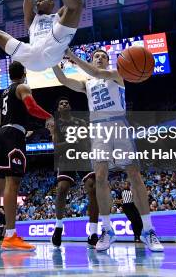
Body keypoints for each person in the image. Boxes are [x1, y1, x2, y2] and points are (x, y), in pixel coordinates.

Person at [52, 49, 163, 252]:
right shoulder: (87, 83)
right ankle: (107, 230)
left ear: (109, 60)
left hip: (119, 125)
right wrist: (52, 61)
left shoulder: (117, 73)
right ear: (92, 59)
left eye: (103, 56)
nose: (100, 58)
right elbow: (64, 80)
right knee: (101, 177)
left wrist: (71, 56)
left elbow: (97, 73)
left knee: (134, 175)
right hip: (98, 128)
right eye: (97, 56)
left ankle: (148, 230)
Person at [0, 61, 52, 251]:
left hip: (0, 136)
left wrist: (16, 131)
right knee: (13, 183)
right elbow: (31, 107)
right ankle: (11, 235)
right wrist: (49, 116)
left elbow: (0, 119)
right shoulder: (22, 86)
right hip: (12, 136)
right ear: (24, 73)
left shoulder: (4, 93)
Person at [48, 96, 98, 248]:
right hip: (66, 158)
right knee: (62, 189)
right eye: (61, 103)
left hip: (81, 156)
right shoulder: (56, 124)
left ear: (69, 107)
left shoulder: (81, 122)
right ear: (58, 109)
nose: (64, 104)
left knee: (93, 187)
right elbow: (56, 147)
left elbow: (88, 142)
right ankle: (58, 227)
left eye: (66, 103)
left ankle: (93, 232)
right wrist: (71, 142)